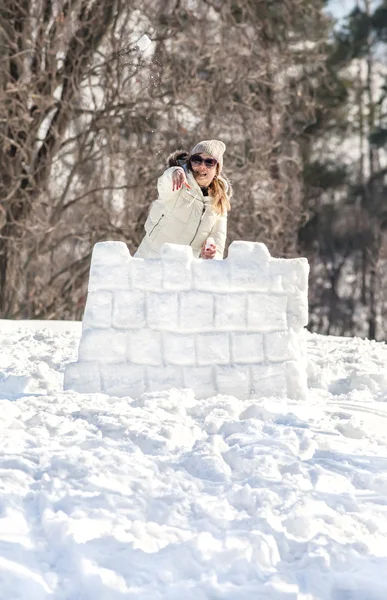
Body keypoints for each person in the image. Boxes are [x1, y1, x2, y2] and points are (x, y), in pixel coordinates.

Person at [134, 139, 232, 260]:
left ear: (217, 169)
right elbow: (165, 185)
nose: (202, 166)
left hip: (185, 269)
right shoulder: (179, 182)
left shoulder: (219, 201)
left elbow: (218, 237)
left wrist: (212, 255)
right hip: (152, 259)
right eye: (197, 160)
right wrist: (174, 171)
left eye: (209, 162)